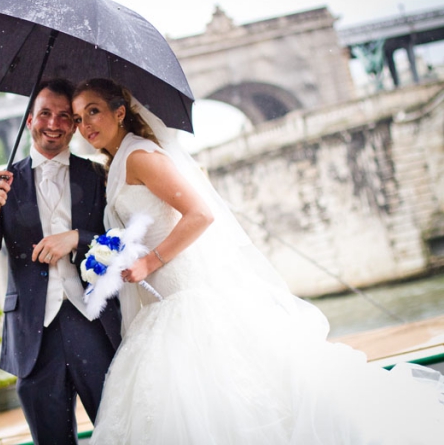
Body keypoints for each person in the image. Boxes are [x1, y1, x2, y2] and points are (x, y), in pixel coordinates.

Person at [71, 77, 444, 444]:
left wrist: (150, 262)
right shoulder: (116, 165)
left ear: (119, 112)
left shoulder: (139, 156)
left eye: (93, 112)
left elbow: (200, 214)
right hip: (158, 304)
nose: (85, 125)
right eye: (78, 118)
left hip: (186, 299)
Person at [0, 78, 121, 445]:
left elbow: (121, 245)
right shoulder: (2, 184)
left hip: (95, 328)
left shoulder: (96, 175)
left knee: (119, 434)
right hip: (33, 340)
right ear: (29, 120)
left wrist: (77, 238)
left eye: (65, 116)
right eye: (45, 113)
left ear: (75, 125)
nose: (54, 123)